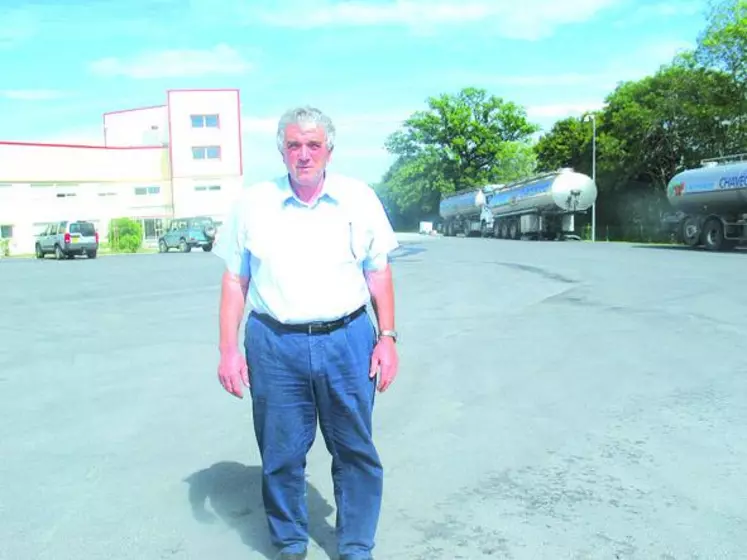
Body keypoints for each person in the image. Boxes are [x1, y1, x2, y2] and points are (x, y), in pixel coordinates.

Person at [213, 105, 400, 560]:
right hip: (274, 344)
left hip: (348, 339)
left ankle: (356, 545)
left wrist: (388, 338)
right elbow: (235, 282)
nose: (303, 154)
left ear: (329, 151)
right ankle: (291, 542)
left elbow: (379, 274)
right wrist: (228, 351)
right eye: (294, 144)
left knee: (355, 449)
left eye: (313, 145)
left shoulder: (359, 198)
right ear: (281, 150)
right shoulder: (252, 205)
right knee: (280, 453)